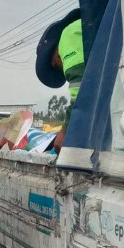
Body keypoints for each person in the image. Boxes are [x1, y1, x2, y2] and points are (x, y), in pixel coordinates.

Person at [36, 8, 84, 154]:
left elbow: (82, 91)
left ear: (53, 57)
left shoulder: (67, 36)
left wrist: (65, 131)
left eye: (57, 66)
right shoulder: (82, 27)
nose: (64, 68)